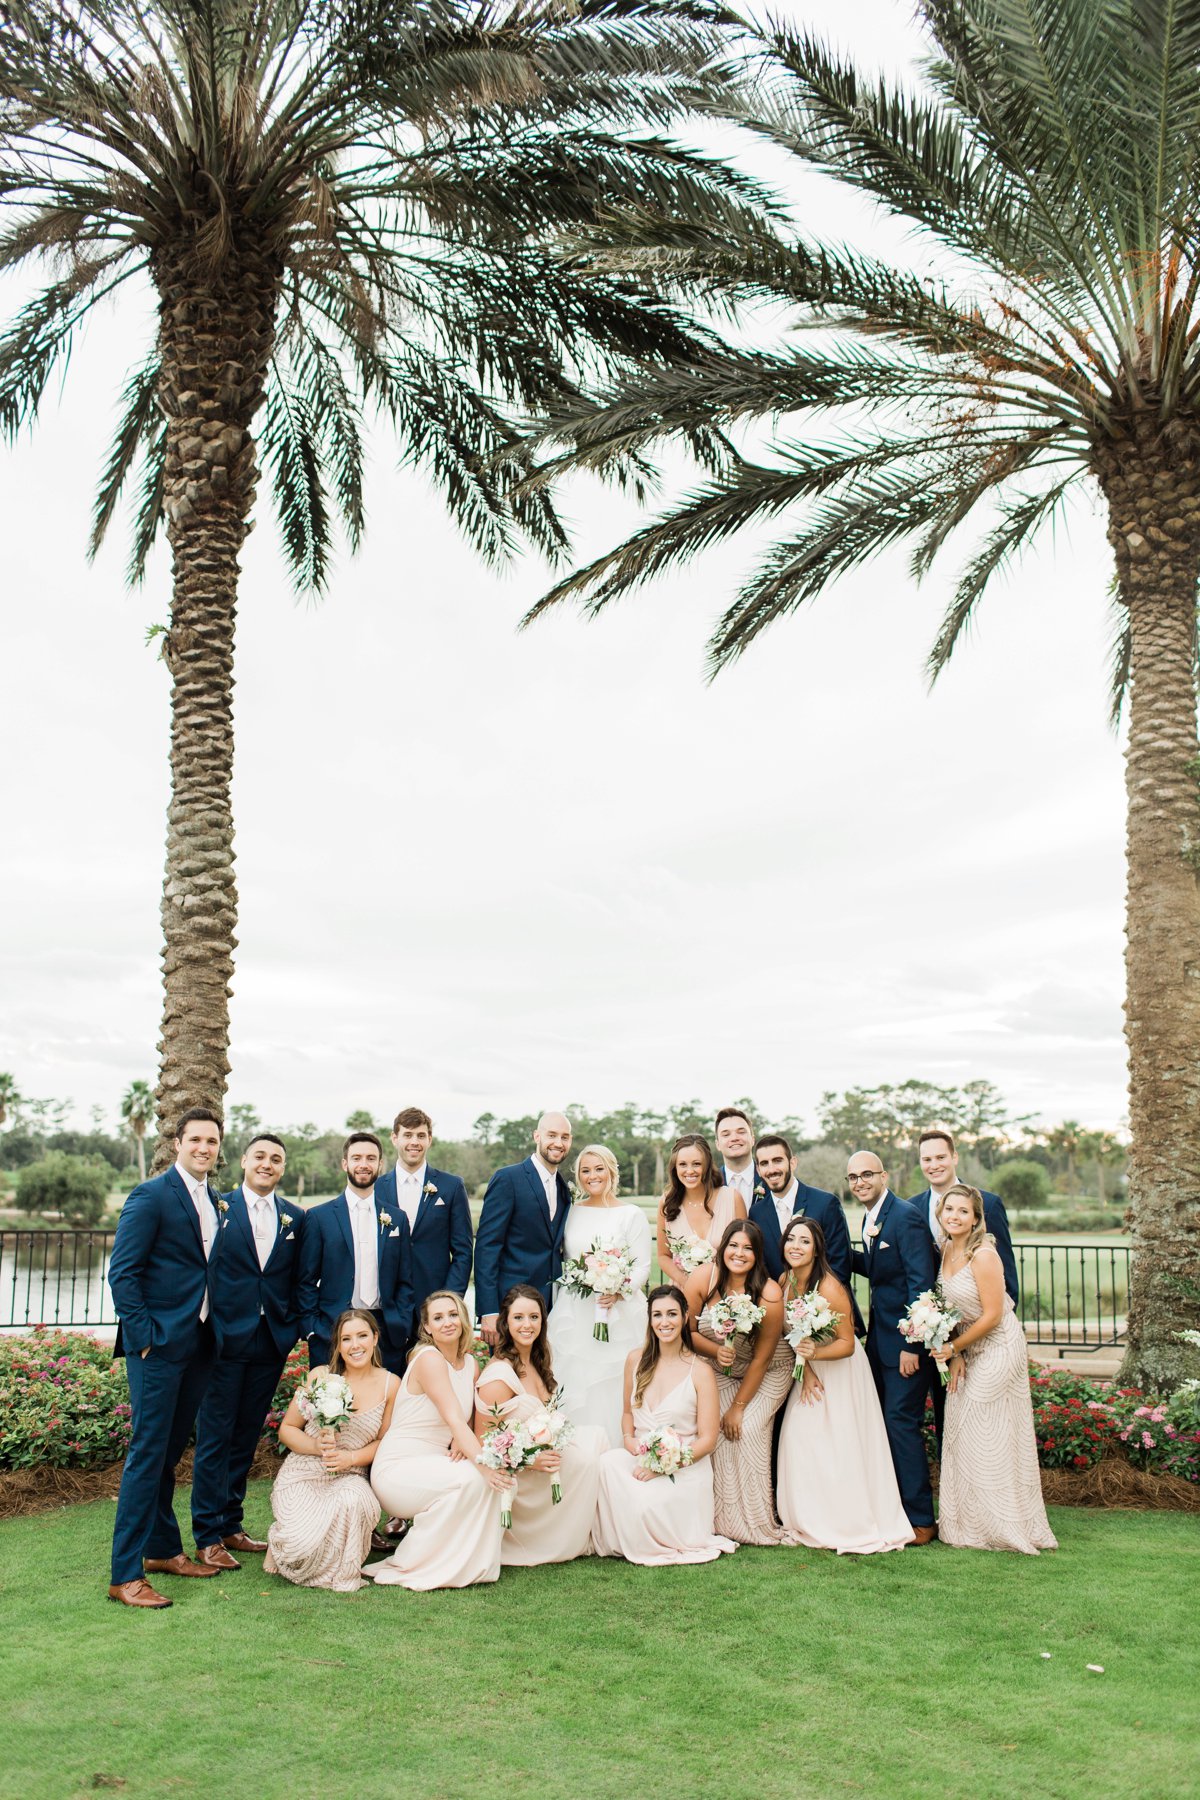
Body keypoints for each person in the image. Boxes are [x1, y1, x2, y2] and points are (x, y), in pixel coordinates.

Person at [107, 1107, 227, 1608]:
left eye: (212, 1141)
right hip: (157, 1349)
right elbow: (122, 1272)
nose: (204, 1148)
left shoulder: (215, 1201)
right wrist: (146, 1336)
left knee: (169, 1454)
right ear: (177, 1142)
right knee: (146, 1455)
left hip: (198, 1346)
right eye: (195, 1139)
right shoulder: (151, 1195)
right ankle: (125, 1574)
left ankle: (162, 1550)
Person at [191, 1132, 304, 1567]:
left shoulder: (295, 1218)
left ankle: (232, 1525)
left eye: (276, 1159)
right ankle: (207, 1535)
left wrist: (290, 1327)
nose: (267, 1164)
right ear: (242, 1161)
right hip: (222, 1340)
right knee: (215, 1436)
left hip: (270, 1340)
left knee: (244, 1436)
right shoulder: (217, 1209)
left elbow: (297, 1279)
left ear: (282, 1168)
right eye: (260, 1156)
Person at [931, 1185, 1057, 1555]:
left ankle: (1005, 1524)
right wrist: (955, 1355)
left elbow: (993, 1314)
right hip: (968, 1348)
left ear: (975, 1218)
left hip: (1000, 1345)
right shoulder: (946, 1249)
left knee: (981, 1427)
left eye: (962, 1211)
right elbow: (950, 1312)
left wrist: (955, 1347)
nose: (954, 1216)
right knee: (959, 1426)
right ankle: (968, 1523)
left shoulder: (983, 1254)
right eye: (949, 1209)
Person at [775, 1215, 911, 1554]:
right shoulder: (784, 1281)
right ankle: (806, 1519)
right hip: (809, 1371)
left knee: (838, 1446)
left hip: (840, 1372)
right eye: (792, 1239)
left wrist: (814, 1355)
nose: (796, 1246)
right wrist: (805, 1371)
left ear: (817, 1247)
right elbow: (789, 1337)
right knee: (799, 1440)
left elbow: (847, 1344)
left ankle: (844, 1521)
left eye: (805, 1241)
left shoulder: (831, 1287)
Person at [367, 1291, 511, 1589]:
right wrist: (485, 1465)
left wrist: (463, 1441)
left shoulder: (471, 1364)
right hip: (398, 1467)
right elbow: (454, 1417)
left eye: (453, 1314)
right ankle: (411, 1561)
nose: (447, 1322)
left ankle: (464, 1562)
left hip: (436, 1460)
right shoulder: (428, 1359)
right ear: (427, 1328)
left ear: (462, 1319)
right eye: (438, 1317)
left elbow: (468, 1418)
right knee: (477, 1478)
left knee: (486, 1481)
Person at [592, 1285, 736, 1566]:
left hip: (684, 1466)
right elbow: (626, 1414)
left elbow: (707, 1441)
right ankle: (626, 1533)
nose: (664, 1322)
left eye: (671, 1314)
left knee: (644, 1505)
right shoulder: (636, 1359)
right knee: (607, 1463)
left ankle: (647, 1530)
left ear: (684, 1317)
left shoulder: (701, 1371)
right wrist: (628, 1438)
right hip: (640, 1455)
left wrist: (661, 1466)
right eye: (657, 1315)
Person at [265, 1309, 398, 1592]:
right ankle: (282, 1541)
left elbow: (384, 1442)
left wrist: (350, 1458)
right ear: (338, 1345)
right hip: (304, 1472)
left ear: (375, 1338)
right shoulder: (321, 1376)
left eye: (362, 1336)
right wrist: (315, 1446)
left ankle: (340, 1568)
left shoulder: (391, 1384)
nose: (355, 1345)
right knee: (301, 1547)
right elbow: (287, 1429)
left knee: (353, 1500)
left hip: (349, 1474)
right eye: (346, 1339)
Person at [476, 1284, 607, 1565]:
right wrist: (531, 1460)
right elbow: (482, 1443)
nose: (527, 1325)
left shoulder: (539, 1357)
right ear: (505, 1322)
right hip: (523, 1475)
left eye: (534, 1317)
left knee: (598, 1440)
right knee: (587, 1460)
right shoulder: (498, 1376)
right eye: (519, 1318)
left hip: (544, 1460)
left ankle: (602, 1526)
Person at [847, 1151, 939, 1544]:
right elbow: (882, 1270)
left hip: (903, 1347)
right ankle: (896, 1509)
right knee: (886, 1427)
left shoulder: (906, 1216)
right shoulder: (870, 1216)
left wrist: (911, 1346)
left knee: (901, 1426)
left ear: (883, 1175)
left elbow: (921, 1284)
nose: (860, 1182)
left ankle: (922, 1520)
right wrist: (832, 1251)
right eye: (853, 1177)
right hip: (879, 1344)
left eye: (867, 1174)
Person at [685, 1219, 794, 1545]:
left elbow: (762, 1357)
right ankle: (720, 1521)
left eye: (748, 1248)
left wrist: (738, 1407)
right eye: (734, 1245)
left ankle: (758, 1523)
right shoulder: (705, 1276)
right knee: (715, 1431)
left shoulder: (769, 1292)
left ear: (757, 1254)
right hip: (721, 1367)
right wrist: (717, 1351)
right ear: (723, 1247)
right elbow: (685, 1332)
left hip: (770, 1369)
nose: (739, 1253)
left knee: (746, 1430)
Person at [546, 1144, 652, 1443]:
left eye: (598, 1168)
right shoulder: (571, 1212)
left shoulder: (630, 1214)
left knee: (615, 1381)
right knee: (573, 1381)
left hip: (618, 1313)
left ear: (611, 1171)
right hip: (575, 1310)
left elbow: (642, 1266)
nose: (592, 1176)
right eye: (585, 1170)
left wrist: (618, 1291)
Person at [296, 1131, 414, 1376]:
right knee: (331, 1409)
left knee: (384, 1407)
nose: (363, 1164)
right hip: (333, 1329)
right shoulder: (319, 1217)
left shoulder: (397, 1218)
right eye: (356, 1157)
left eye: (371, 1158)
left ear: (380, 1164)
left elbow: (405, 1279)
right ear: (344, 1163)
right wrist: (313, 1328)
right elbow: (305, 1280)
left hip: (385, 1331)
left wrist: (401, 1322)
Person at [474, 1111, 574, 1344]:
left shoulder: (563, 1188)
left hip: (551, 1307)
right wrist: (488, 1311)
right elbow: (487, 1247)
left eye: (565, 1137)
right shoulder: (508, 1178)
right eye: (552, 1135)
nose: (558, 1143)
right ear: (537, 1136)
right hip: (511, 1306)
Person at [374, 1105, 472, 1314]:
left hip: (436, 1303)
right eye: (407, 1135)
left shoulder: (451, 1186)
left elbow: (463, 1251)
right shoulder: (376, 1189)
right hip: (386, 1306)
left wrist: (450, 1299)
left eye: (421, 1135)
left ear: (430, 1139)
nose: (414, 1142)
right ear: (394, 1138)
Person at [909, 1129, 1019, 1303]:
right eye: (927, 1159)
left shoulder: (988, 1204)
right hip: (930, 1318)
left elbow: (1007, 1274)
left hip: (981, 1318)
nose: (934, 1165)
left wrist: (1002, 1322)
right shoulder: (912, 1208)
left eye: (940, 1157)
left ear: (954, 1158)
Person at [749, 1132, 857, 1295]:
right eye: (764, 1163)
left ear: (793, 1163)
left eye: (777, 1161)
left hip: (826, 1309)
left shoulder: (826, 1204)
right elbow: (761, 1269)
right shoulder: (756, 1212)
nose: (771, 1169)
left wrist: (810, 1309)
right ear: (758, 1169)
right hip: (778, 1310)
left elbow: (840, 1266)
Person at [656, 1134, 745, 1289]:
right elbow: (663, 1256)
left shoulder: (732, 1198)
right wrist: (688, 1283)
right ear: (674, 1167)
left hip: (725, 1292)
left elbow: (746, 1250)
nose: (689, 1171)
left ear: (707, 1165)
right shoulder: (667, 1203)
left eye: (696, 1164)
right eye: (682, 1164)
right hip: (682, 1293)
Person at [715, 1105, 757, 1212]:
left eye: (741, 1132)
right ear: (718, 1144)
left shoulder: (771, 1178)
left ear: (752, 1139)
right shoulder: (709, 1183)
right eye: (726, 1134)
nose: (734, 1138)